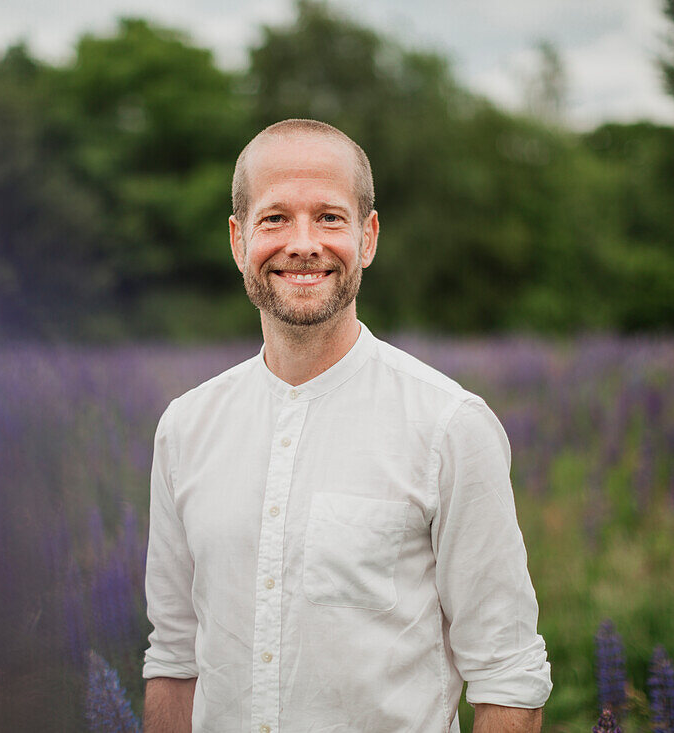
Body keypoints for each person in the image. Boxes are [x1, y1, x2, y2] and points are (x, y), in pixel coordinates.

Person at [141, 119, 551, 732]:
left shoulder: (449, 426)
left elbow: (507, 674)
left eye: (329, 218)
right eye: (275, 218)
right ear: (237, 240)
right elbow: (174, 659)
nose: (303, 244)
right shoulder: (186, 428)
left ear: (368, 237)